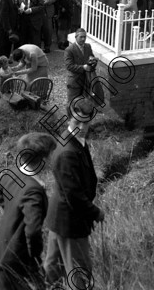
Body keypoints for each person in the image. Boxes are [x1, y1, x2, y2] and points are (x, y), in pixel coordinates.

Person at [44, 99, 104, 289]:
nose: (81, 127)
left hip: (59, 217)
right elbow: (74, 195)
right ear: (68, 119)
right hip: (70, 219)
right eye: (76, 122)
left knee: (54, 268)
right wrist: (95, 212)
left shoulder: (73, 139)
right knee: (79, 270)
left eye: (85, 122)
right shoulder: (67, 152)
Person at [0, 133, 57, 290]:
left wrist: (11, 211)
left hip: (3, 247)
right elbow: (33, 231)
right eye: (51, 154)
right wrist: (35, 260)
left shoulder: (11, 173)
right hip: (17, 258)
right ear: (43, 160)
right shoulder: (33, 191)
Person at [64, 29, 97, 105]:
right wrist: (84, 67)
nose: (83, 39)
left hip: (86, 80)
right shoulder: (69, 50)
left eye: (85, 37)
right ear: (76, 37)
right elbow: (69, 66)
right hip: (74, 80)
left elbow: (91, 57)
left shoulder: (88, 47)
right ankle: (70, 116)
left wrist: (93, 62)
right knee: (72, 102)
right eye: (81, 37)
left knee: (84, 103)